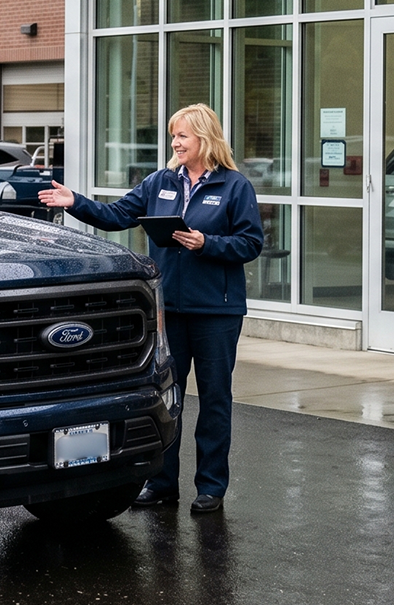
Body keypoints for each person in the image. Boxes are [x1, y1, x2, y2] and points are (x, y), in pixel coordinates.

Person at [38, 104, 262, 515]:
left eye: (183, 137)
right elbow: (118, 215)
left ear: (205, 139)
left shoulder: (234, 187)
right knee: (168, 398)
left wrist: (207, 244)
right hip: (169, 312)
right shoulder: (160, 182)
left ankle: (211, 486)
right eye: (173, 136)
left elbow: (251, 243)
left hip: (216, 313)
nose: (175, 143)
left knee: (214, 400)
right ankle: (162, 485)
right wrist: (76, 202)